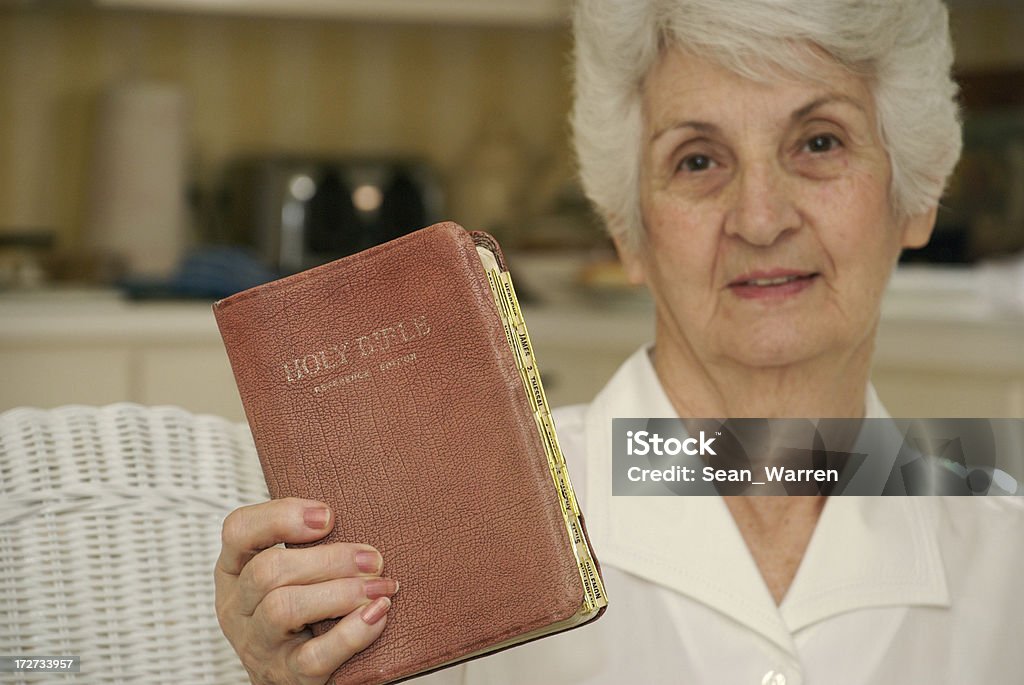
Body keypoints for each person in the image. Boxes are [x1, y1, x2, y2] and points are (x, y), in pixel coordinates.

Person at [215, 1, 1024, 683]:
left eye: (819, 142)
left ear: (917, 192)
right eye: (699, 159)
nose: (761, 217)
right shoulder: (435, 533)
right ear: (628, 231)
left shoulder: (1005, 545)